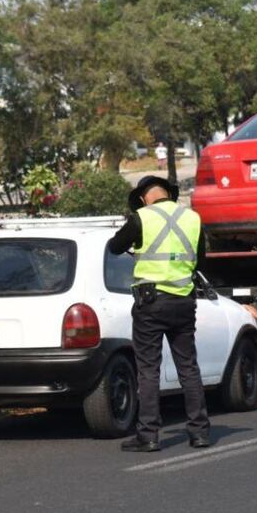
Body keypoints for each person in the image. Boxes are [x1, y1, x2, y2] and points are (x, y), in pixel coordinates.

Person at [108, 175, 211, 452]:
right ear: (169, 194)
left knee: (148, 370)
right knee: (188, 367)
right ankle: (199, 432)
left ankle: (149, 435)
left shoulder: (141, 218)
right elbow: (201, 261)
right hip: (184, 302)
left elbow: (114, 247)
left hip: (150, 304)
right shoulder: (192, 219)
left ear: (143, 198)